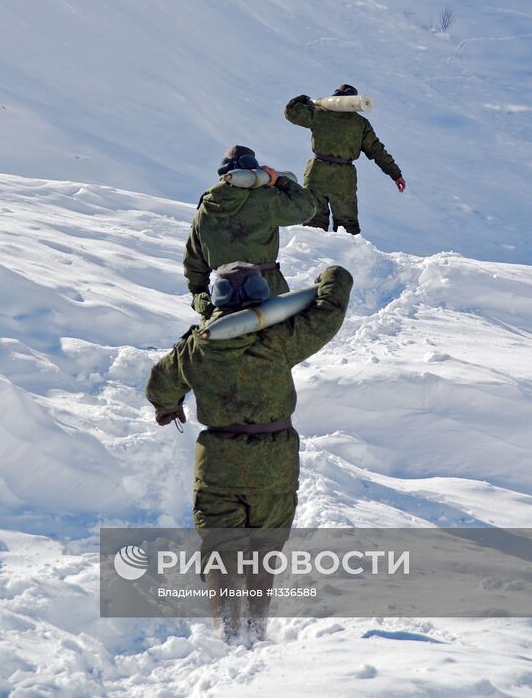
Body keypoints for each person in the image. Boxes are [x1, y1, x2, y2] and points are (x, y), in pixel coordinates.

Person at [146, 260, 353, 641]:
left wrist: (168, 406)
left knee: (221, 547)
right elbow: (329, 312)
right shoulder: (278, 340)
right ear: (261, 293)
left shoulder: (195, 348)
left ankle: (226, 631)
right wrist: (334, 275)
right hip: (274, 463)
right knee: (264, 548)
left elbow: (159, 384)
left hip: (218, 463)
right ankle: (256, 629)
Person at [184, 145, 317, 319]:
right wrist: (278, 180)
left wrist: (199, 294)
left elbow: (194, 259)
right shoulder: (265, 199)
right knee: (276, 342)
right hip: (267, 286)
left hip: (225, 294)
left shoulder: (206, 207)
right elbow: (307, 208)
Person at [284, 85, 405, 234]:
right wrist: (396, 174)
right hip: (344, 178)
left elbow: (291, 112)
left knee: (313, 222)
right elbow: (377, 151)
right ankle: (348, 256)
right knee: (347, 226)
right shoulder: (360, 124)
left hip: (316, 172)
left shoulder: (319, 113)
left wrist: (302, 99)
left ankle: (313, 256)